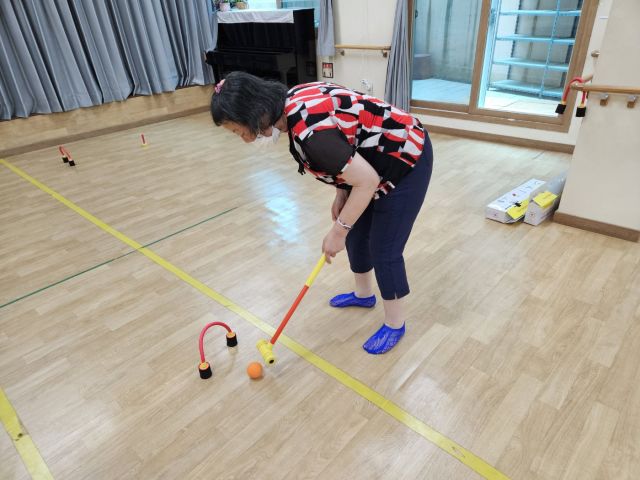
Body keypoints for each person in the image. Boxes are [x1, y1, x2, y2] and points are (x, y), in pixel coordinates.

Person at [210, 71, 433, 354]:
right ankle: (364, 295)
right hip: (374, 161)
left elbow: (366, 181)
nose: (243, 139)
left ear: (253, 112)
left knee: (384, 248)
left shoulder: (311, 134)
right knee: (357, 234)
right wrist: (342, 192)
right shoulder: (291, 105)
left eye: (237, 130)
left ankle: (395, 323)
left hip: (405, 158)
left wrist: (338, 230)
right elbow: (348, 138)